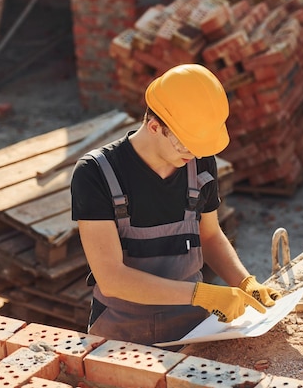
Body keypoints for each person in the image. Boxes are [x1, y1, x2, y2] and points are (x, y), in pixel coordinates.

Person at [70, 63, 281, 346]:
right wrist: (201, 294)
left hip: (192, 329)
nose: (193, 154)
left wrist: (244, 282)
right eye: (186, 145)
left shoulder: (200, 161)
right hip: (121, 335)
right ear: (155, 126)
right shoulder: (96, 173)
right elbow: (111, 278)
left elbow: (209, 235)